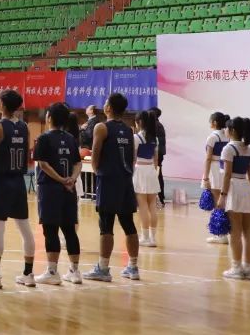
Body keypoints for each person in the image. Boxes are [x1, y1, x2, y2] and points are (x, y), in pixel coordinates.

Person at [0, 89, 36, 289]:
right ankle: (28, 274)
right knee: (25, 228)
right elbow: (26, 154)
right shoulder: (24, 127)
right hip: (18, 181)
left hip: (1, 181)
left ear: (2, 104)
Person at [84, 92, 140, 282]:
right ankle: (133, 267)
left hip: (108, 181)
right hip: (125, 180)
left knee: (106, 225)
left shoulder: (101, 127)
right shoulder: (129, 130)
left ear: (108, 107)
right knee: (128, 224)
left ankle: (103, 268)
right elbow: (132, 158)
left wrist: (99, 173)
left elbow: (95, 156)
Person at [32, 102, 82, 285]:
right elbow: (78, 163)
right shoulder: (70, 139)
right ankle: (74, 271)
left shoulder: (43, 138)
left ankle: (52, 272)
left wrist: (61, 180)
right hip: (69, 190)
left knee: (50, 230)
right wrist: (71, 179)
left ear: (49, 118)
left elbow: (43, 164)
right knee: (69, 230)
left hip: (50, 190)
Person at [219, 117, 250, 280]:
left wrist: (222, 196)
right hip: (246, 188)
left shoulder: (228, 148)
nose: (225, 131)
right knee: (248, 231)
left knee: (235, 231)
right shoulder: (249, 150)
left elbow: (227, 175)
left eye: (227, 128)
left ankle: (236, 268)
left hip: (233, 189)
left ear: (232, 130)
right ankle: (247, 268)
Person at [132, 111, 161, 247]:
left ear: (139, 122)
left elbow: (133, 159)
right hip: (151, 171)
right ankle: (153, 238)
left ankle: (145, 237)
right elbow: (156, 160)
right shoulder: (155, 139)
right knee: (152, 206)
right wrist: (154, 173)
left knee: (142, 206)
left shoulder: (136, 137)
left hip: (140, 170)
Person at [202, 112, 230, 245]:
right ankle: (221, 232)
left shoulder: (212, 137)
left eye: (210, 121)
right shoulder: (227, 135)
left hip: (214, 169)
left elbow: (208, 158)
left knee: (218, 202)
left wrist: (205, 177)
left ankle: (221, 234)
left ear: (214, 123)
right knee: (222, 200)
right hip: (224, 168)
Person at [151, 107, 166, 206]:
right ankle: (161, 197)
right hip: (159, 153)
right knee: (158, 174)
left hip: (155, 154)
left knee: (157, 175)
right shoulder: (159, 125)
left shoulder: (154, 125)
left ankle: (158, 198)